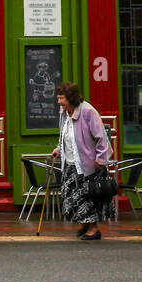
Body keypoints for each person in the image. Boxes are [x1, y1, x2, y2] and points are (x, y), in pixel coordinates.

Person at [51, 81, 113, 241]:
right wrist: (59, 149)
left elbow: (101, 138)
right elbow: (65, 135)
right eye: (58, 98)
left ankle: (93, 228)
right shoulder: (64, 113)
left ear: (71, 98)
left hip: (88, 163)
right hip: (70, 163)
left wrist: (100, 159)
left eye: (61, 98)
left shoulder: (87, 112)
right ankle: (84, 223)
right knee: (71, 195)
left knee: (88, 195)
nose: (59, 102)